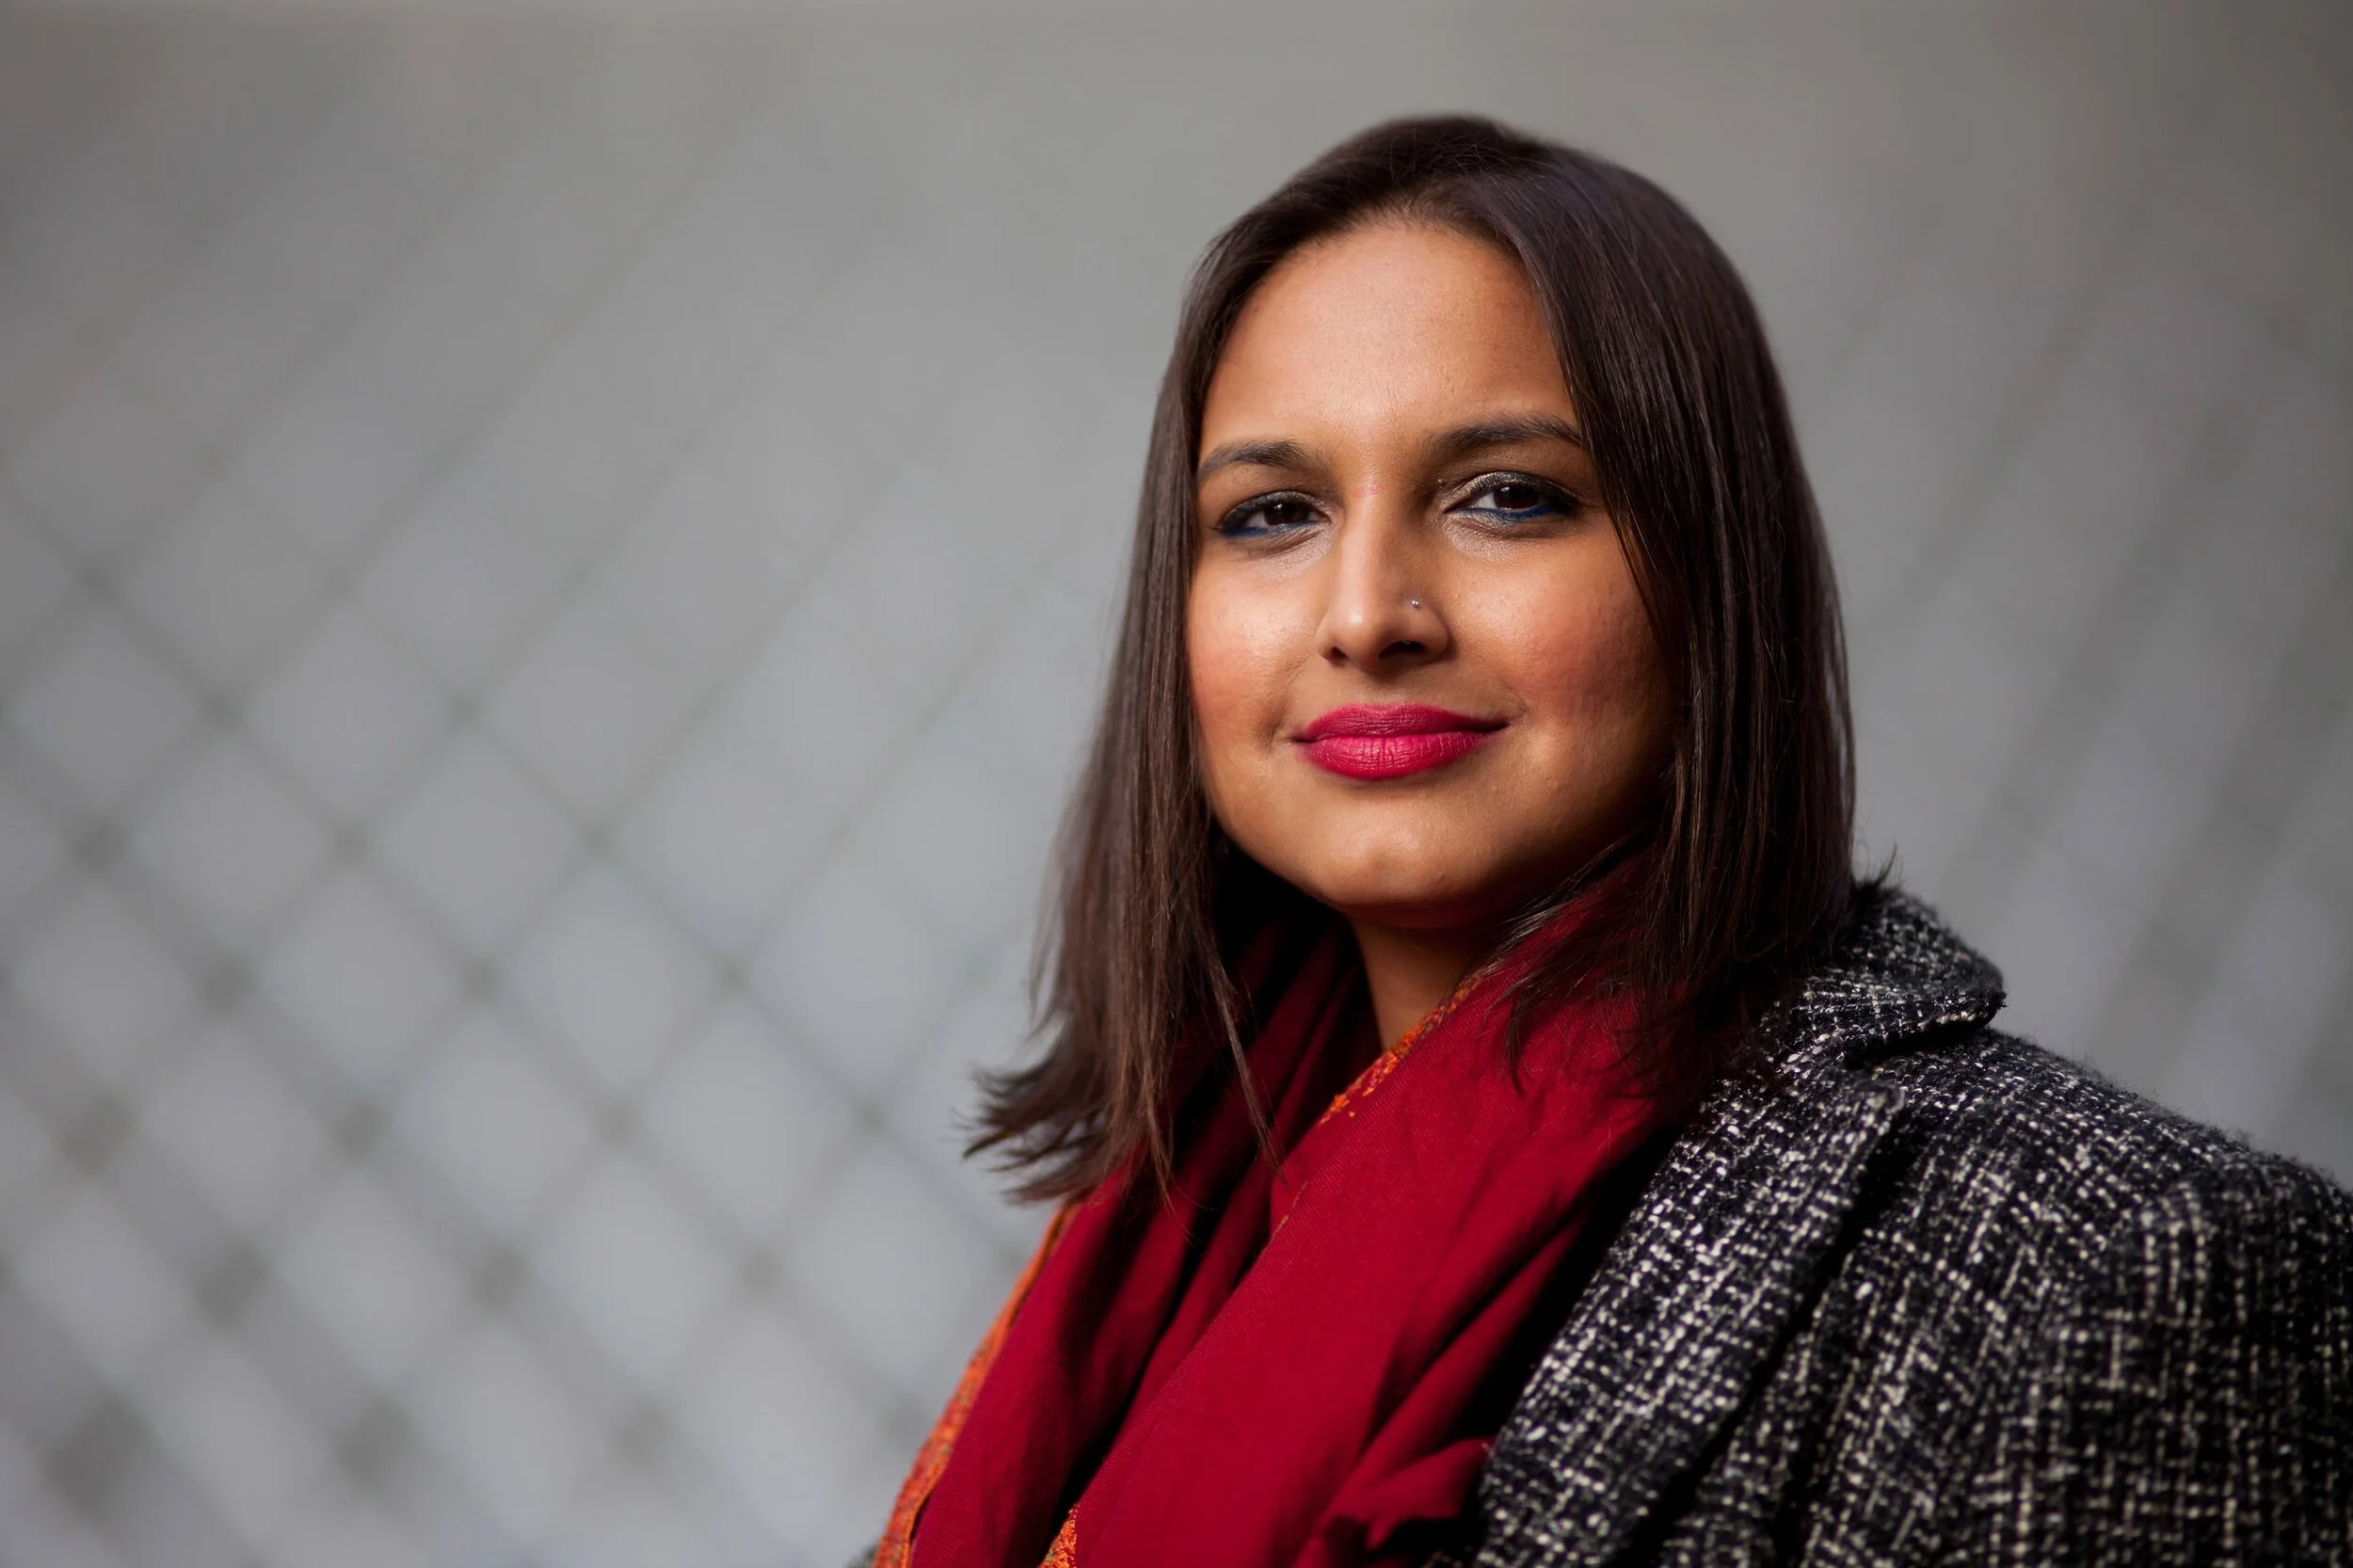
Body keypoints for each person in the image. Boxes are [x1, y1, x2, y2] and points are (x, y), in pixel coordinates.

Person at [864, 117, 2353, 1567]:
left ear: (1711, 582)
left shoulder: (2131, 1272)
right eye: (1273, 513)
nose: (1368, 610)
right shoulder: (1162, 1234)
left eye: (1508, 497)